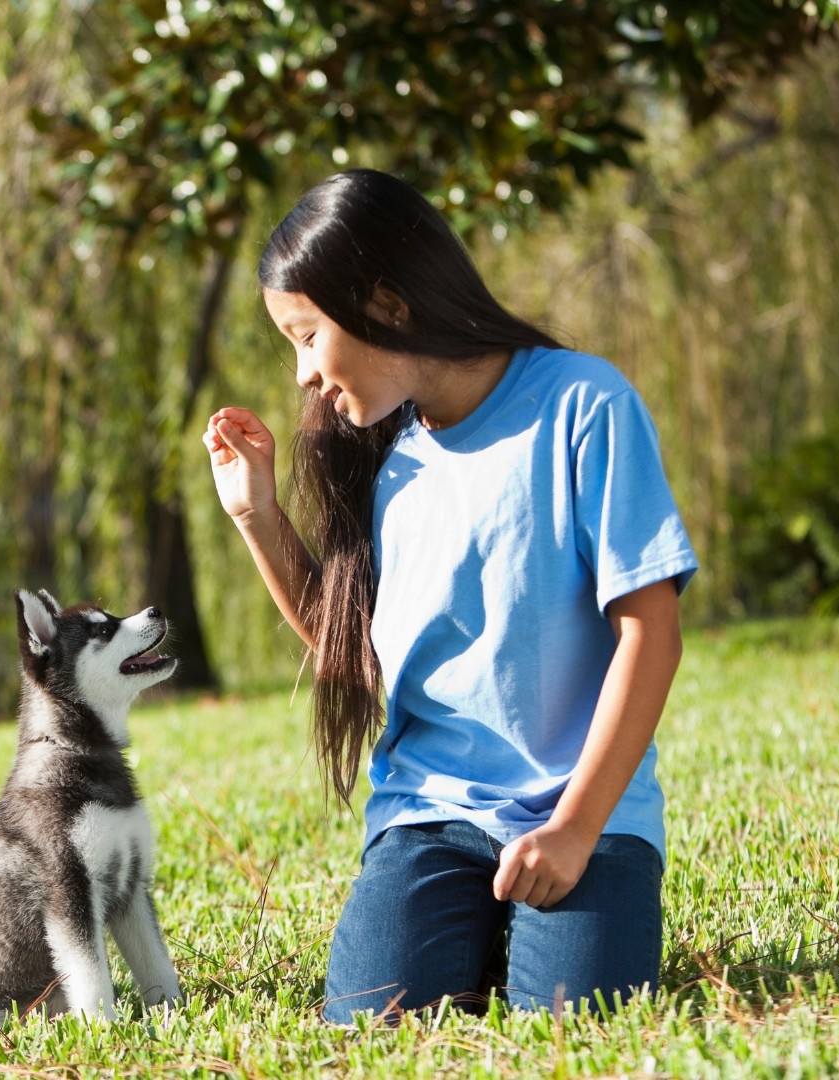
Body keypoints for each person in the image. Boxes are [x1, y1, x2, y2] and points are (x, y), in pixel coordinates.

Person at [202, 169, 698, 1022]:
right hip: (430, 814)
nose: (302, 374)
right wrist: (256, 515)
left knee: (576, 1029)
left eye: (309, 337)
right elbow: (351, 649)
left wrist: (575, 828)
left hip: (585, 811)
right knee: (371, 1026)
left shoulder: (584, 403)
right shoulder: (382, 450)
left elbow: (650, 634)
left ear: (388, 305)